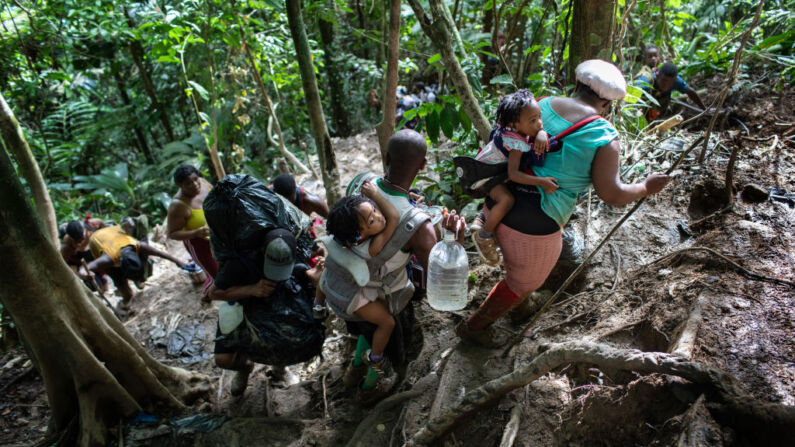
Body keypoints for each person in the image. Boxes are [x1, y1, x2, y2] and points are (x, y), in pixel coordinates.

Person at [457, 59, 671, 347]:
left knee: (517, 267)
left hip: (499, 201)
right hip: (534, 225)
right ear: (607, 105)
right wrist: (646, 187)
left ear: (578, 85)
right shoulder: (604, 136)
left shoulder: (539, 105)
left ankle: (520, 306)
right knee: (523, 281)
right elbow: (612, 194)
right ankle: (475, 327)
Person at [318, 129, 465, 403]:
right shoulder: (419, 227)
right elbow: (437, 274)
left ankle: (355, 369)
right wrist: (454, 237)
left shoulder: (361, 184)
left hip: (343, 290)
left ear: (386, 156)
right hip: (384, 301)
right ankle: (374, 385)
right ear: (422, 165)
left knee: (365, 330)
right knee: (391, 346)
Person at [208, 228, 324, 396]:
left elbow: (318, 310)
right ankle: (245, 367)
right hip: (246, 302)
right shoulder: (241, 261)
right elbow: (214, 292)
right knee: (223, 359)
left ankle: (279, 368)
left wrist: (315, 281)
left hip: (283, 300)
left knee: (287, 337)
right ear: (262, 250)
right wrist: (251, 289)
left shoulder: (302, 249)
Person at [317, 179, 401, 393]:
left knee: (367, 330)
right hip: (352, 297)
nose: (379, 215)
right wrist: (375, 194)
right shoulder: (369, 248)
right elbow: (394, 217)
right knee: (387, 323)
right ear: (359, 236)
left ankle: (354, 369)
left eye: (374, 209)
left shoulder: (340, 239)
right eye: (372, 219)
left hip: (332, 286)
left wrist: (371, 203)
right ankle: (376, 365)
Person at [470, 90, 559, 266]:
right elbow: (514, 174)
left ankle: (481, 218)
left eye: (539, 116)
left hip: (485, 172)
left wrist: (540, 132)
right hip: (483, 179)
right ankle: (484, 235)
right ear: (514, 124)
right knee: (507, 200)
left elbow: (537, 131)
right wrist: (541, 181)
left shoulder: (507, 129)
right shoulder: (516, 144)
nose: (539, 123)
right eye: (532, 121)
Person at [79, 225, 187, 308]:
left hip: (112, 233)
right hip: (99, 243)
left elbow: (159, 253)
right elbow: (83, 269)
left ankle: (137, 279)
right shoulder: (107, 259)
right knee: (123, 287)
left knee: (141, 275)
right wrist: (86, 274)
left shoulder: (139, 246)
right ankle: (126, 296)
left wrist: (179, 262)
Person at [166, 165, 218, 298]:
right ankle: (206, 294)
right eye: (188, 183)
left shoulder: (204, 184)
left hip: (218, 235)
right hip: (199, 243)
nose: (195, 184)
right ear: (180, 185)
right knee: (216, 276)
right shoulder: (178, 206)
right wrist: (196, 233)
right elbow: (172, 233)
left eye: (196, 179)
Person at [637, 60, 706, 121]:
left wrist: (704, 109)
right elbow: (633, 98)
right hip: (643, 103)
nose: (666, 85)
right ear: (658, 76)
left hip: (659, 104)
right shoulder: (646, 81)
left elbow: (691, 92)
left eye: (670, 83)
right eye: (664, 81)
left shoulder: (676, 81)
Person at [60, 217, 108, 290]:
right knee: (91, 285)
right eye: (76, 242)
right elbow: (69, 268)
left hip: (96, 256)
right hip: (81, 266)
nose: (79, 244)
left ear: (84, 231)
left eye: (80, 240)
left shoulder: (94, 224)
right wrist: (82, 276)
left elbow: (108, 233)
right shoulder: (67, 246)